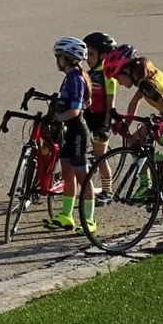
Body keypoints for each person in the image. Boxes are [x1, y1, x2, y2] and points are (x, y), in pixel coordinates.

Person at [102, 44, 163, 249]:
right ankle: (150, 177)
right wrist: (126, 125)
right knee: (135, 140)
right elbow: (134, 103)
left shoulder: (148, 84)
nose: (118, 83)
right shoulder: (142, 79)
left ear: (127, 71)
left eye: (118, 77)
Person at [42, 37, 94, 235]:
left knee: (83, 176)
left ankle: (89, 219)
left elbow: (75, 111)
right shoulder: (69, 77)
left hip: (78, 132)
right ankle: (66, 214)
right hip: (69, 132)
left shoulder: (77, 79)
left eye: (59, 57)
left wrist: (57, 118)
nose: (57, 60)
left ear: (68, 58)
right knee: (66, 172)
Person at [82, 32, 119, 205]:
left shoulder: (107, 75)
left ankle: (108, 191)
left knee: (100, 157)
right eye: (86, 54)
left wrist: (106, 124)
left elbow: (110, 101)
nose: (87, 58)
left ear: (103, 55)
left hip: (100, 121)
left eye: (91, 54)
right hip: (87, 118)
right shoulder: (89, 72)